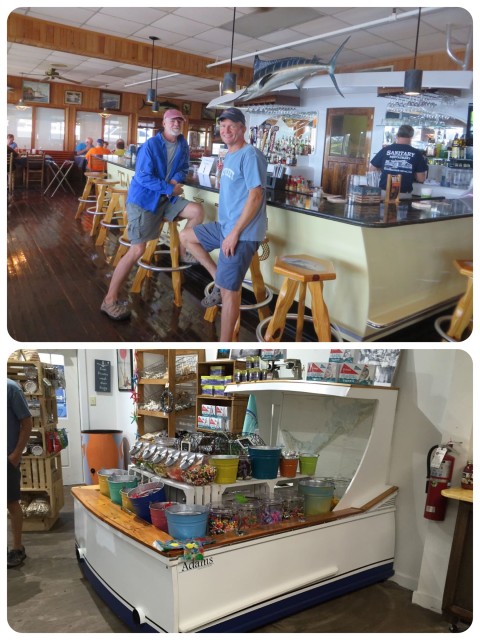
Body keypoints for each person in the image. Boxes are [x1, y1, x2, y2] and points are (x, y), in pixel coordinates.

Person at [100, 108, 204, 321]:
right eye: (173, 120)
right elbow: (143, 176)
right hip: (144, 201)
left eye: (180, 121)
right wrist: (169, 188)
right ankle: (109, 300)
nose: (177, 123)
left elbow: (183, 167)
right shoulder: (149, 146)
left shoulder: (182, 143)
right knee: (137, 249)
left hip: (166, 200)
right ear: (164, 123)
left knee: (197, 211)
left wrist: (175, 180)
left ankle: (184, 250)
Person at [180, 107, 267, 342]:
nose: (226, 130)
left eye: (231, 126)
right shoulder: (229, 154)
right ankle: (219, 278)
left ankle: (224, 348)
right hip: (225, 226)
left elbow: (256, 195)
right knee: (186, 237)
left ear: (242, 129)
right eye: (223, 126)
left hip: (242, 233)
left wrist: (235, 233)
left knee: (231, 292)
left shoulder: (251, 155)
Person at [7, 378, 33, 568]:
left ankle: (17, 548)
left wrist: (15, 455)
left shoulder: (11, 388)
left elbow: (27, 423)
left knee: (11, 503)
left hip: (7, 457)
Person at [369, 124, 428, 197]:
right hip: (403, 194)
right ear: (411, 136)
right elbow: (421, 179)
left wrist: (384, 169)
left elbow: (372, 169)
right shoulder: (416, 153)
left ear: (397, 135)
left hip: (384, 192)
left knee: (383, 208)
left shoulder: (386, 150)